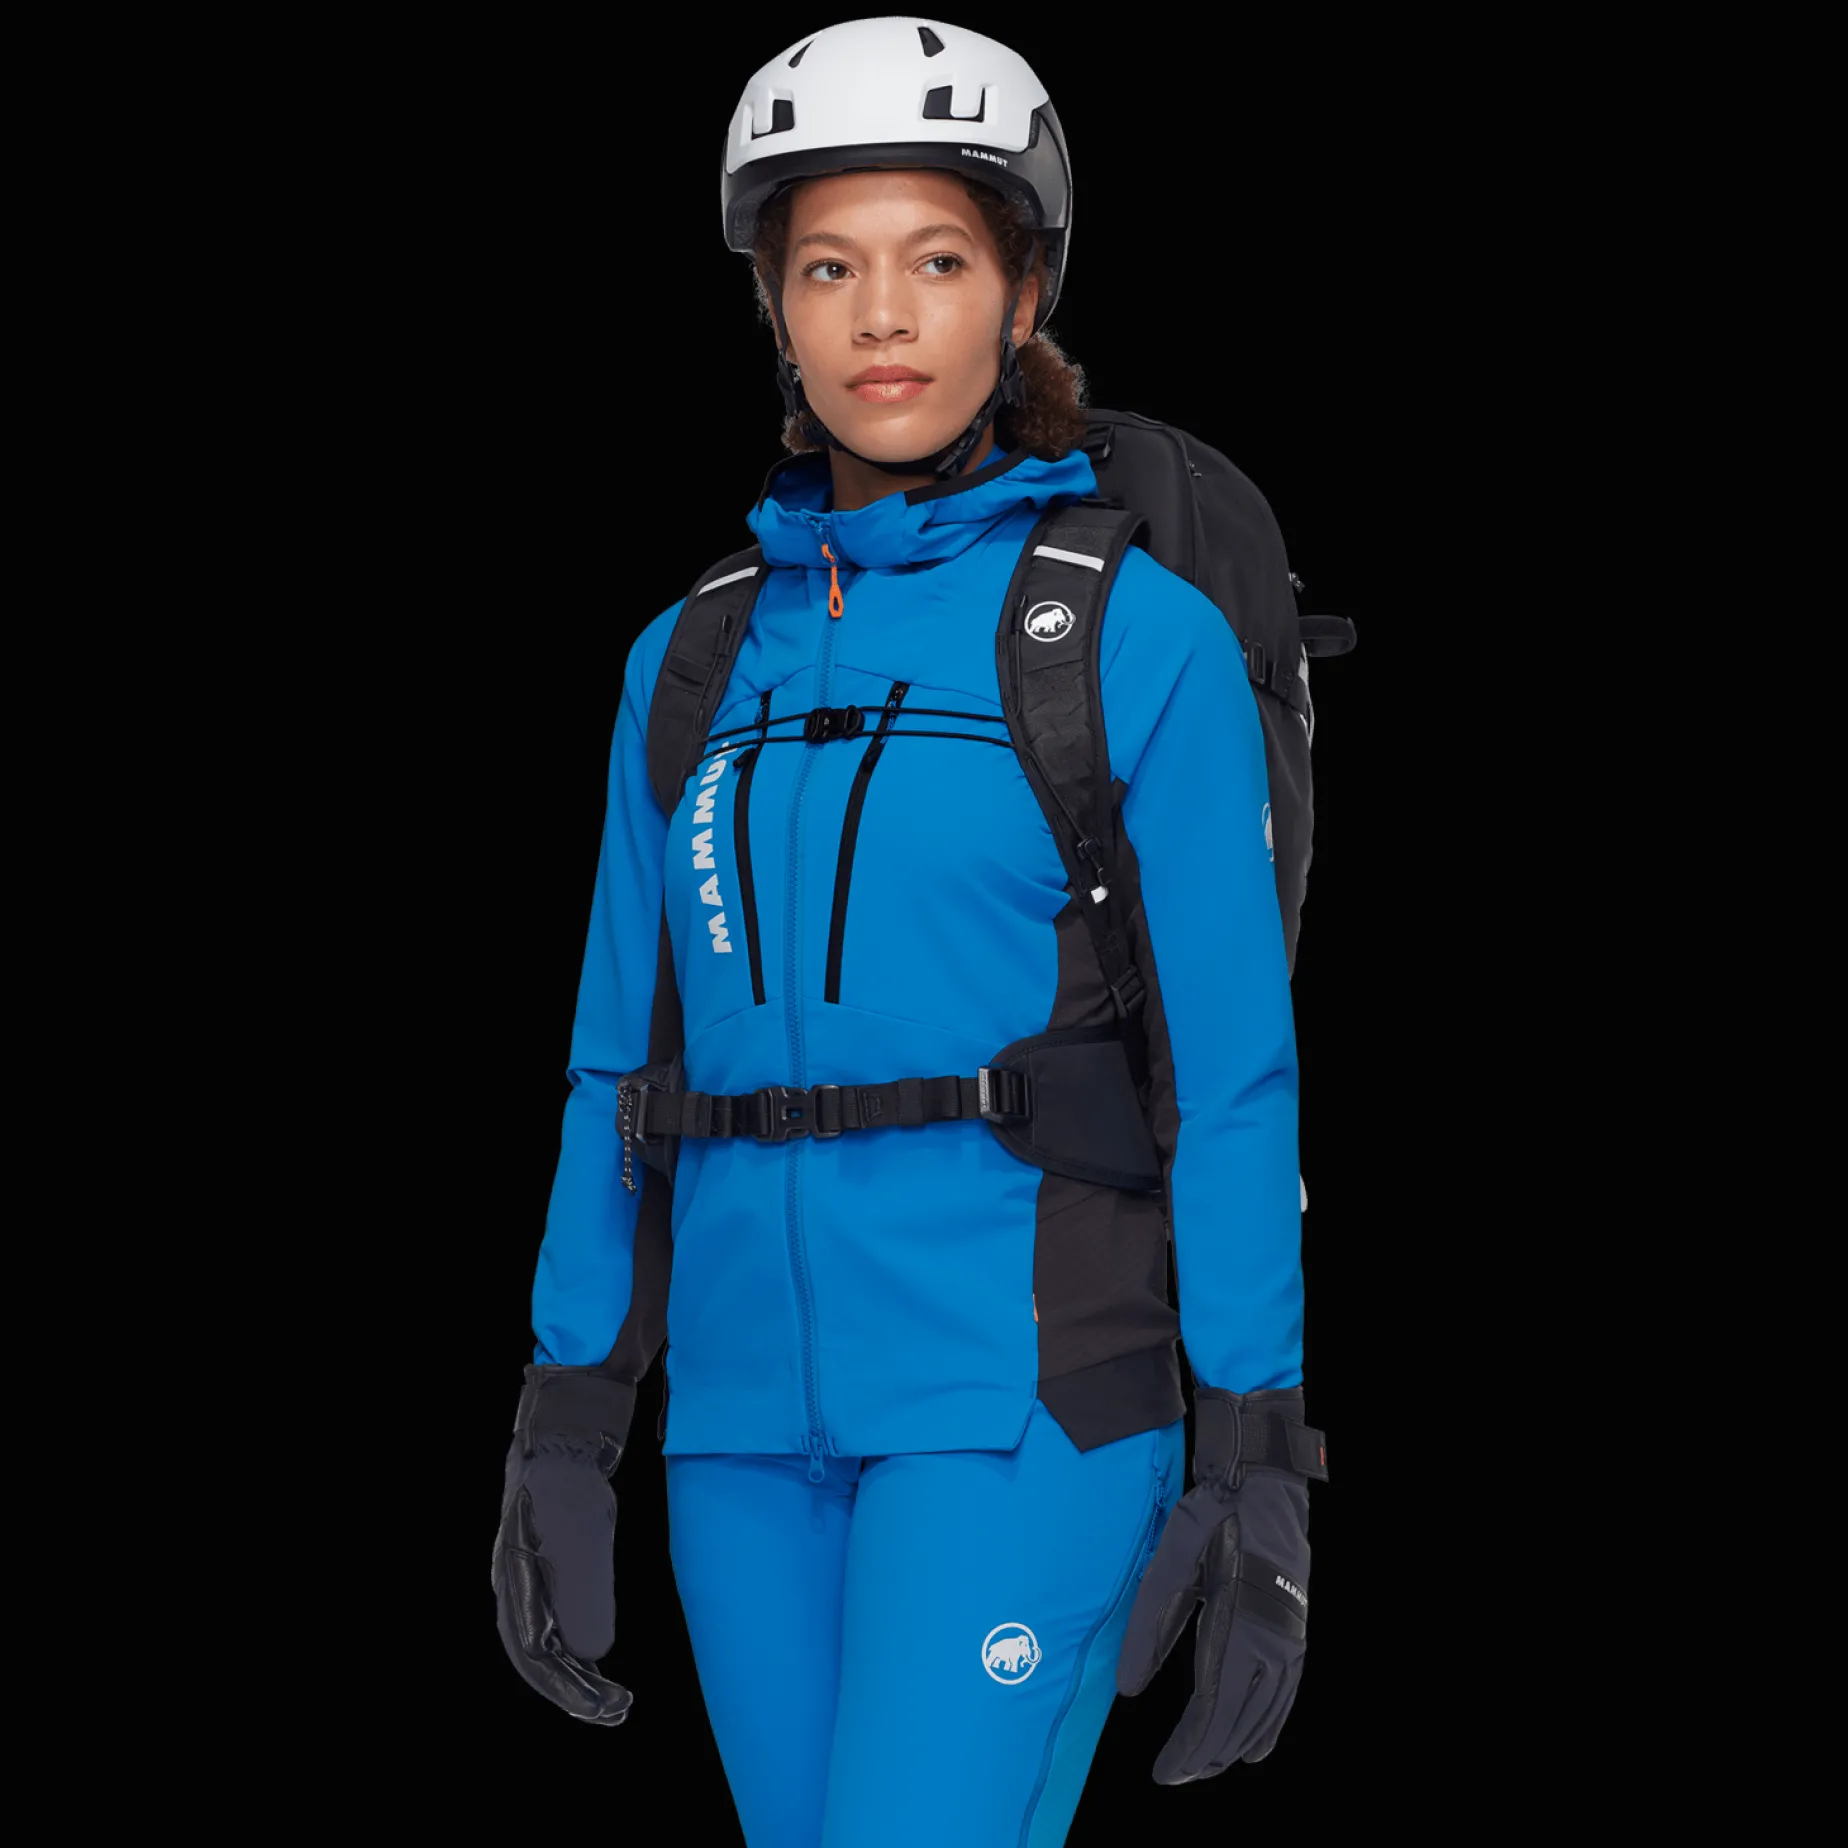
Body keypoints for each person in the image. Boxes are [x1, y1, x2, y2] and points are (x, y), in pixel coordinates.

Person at [491, 18, 1327, 1844]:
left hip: (1020, 1409)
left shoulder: (1133, 638)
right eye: (829, 269)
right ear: (776, 311)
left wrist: (1257, 1454)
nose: (882, 316)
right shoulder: (690, 657)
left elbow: (1234, 1083)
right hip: (737, 1431)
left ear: (1022, 294)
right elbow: (617, 1067)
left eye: (937, 261)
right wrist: (568, 1413)